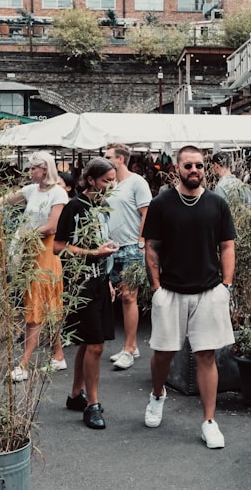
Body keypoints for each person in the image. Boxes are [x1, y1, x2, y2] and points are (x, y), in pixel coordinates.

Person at [141, 145, 236, 449]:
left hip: (209, 290)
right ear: (176, 169)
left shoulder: (217, 204)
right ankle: (158, 394)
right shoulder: (162, 203)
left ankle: (209, 421)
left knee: (206, 355)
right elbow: (151, 246)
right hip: (170, 290)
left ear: (204, 168)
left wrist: (227, 284)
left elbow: (227, 245)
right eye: (188, 166)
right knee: (163, 354)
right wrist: (155, 286)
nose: (194, 170)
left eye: (198, 166)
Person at [54, 158, 120, 430]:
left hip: (100, 282)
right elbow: (58, 247)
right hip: (80, 284)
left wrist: (109, 279)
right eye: (106, 180)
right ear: (91, 180)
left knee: (88, 342)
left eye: (113, 180)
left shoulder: (101, 208)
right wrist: (93, 253)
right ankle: (92, 404)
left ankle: (75, 395)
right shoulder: (74, 207)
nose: (111, 185)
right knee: (95, 345)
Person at [0, 151, 68, 382]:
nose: (30, 172)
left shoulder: (58, 192)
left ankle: (23, 364)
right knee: (44, 306)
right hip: (27, 252)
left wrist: (26, 234)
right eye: (30, 168)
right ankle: (58, 355)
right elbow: (2, 201)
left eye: (34, 168)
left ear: (45, 169)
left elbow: (52, 226)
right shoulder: (31, 190)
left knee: (36, 306)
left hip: (44, 253)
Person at [103, 143, 152, 370]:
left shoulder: (137, 182)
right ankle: (130, 345)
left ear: (120, 159)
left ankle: (130, 348)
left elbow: (147, 214)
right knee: (119, 297)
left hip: (131, 246)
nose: (104, 159)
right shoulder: (111, 184)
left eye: (107, 156)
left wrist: (141, 243)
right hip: (112, 247)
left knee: (128, 297)